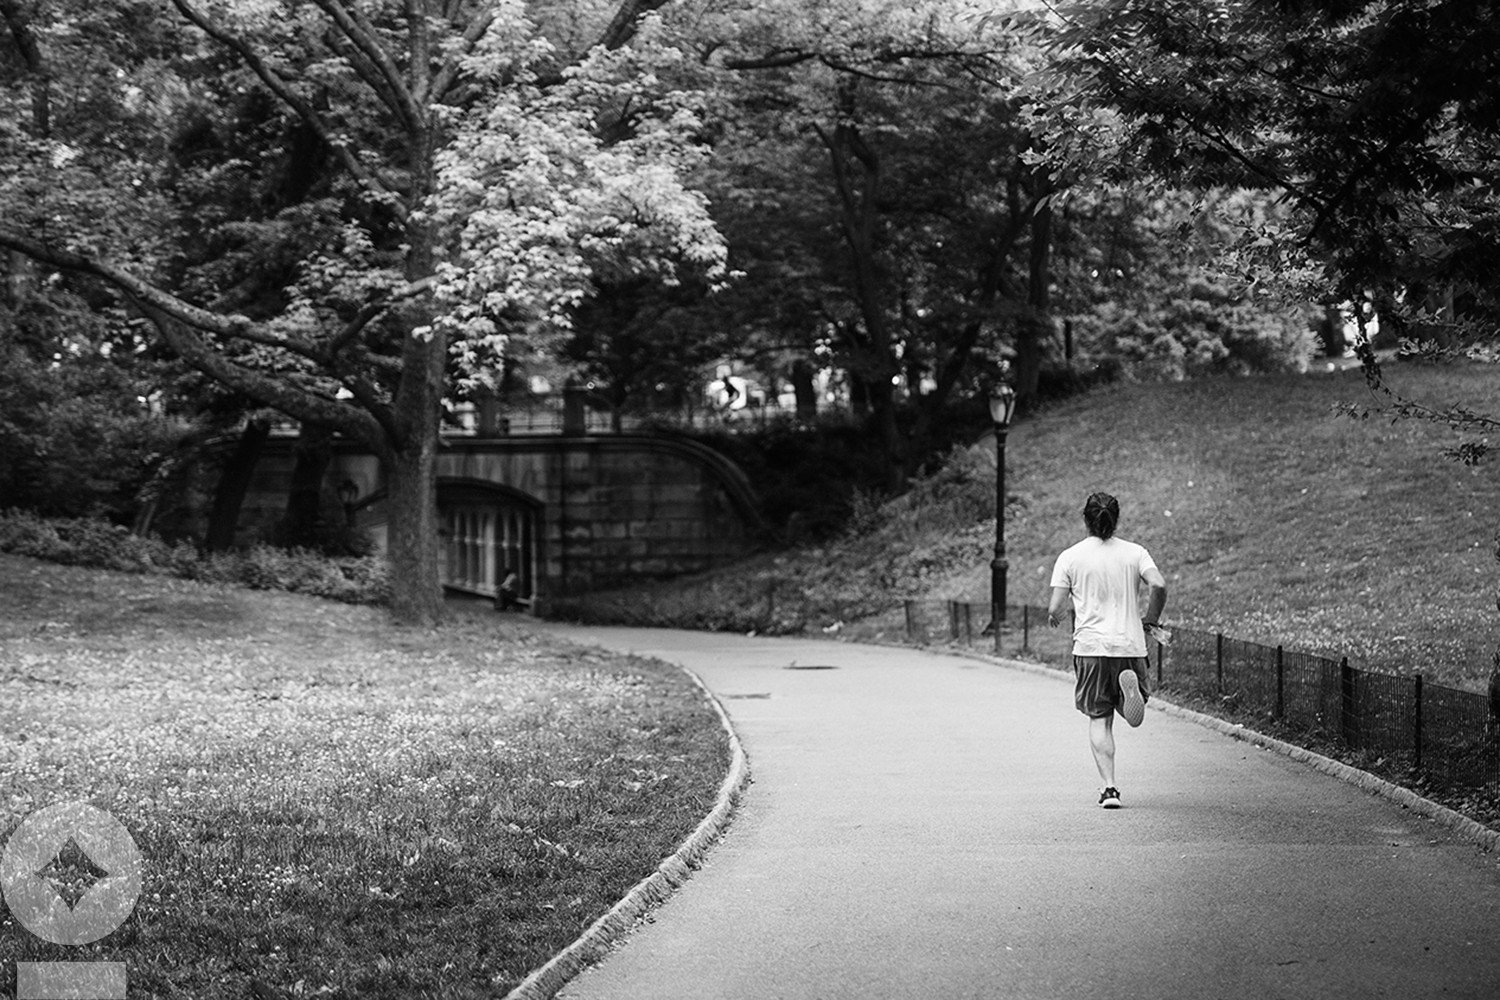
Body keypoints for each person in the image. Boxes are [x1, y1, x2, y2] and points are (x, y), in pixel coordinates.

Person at [1047, 492, 1167, 810]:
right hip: (1130, 645)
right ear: (1116, 518)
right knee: (1128, 707)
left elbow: (1056, 607)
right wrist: (1151, 619)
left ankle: (1109, 789)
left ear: (1085, 518)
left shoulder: (1070, 557)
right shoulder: (1135, 553)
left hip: (1091, 648)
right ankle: (1132, 691)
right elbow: (1159, 585)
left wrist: (1055, 615)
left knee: (1099, 717)